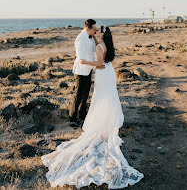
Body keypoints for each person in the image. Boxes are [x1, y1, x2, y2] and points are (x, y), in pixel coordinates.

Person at [41, 25, 144, 189]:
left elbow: (98, 64)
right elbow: (104, 61)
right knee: (108, 97)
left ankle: (102, 124)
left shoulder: (98, 46)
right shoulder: (106, 44)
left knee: (100, 98)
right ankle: (109, 122)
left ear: (102, 34)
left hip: (102, 74)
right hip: (109, 73)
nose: (96, 31)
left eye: (98, 30)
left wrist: (83, 61)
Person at [69, 19, 104, 128]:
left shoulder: (91, 36)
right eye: (94, 29)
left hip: (89, 70)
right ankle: (72, 118)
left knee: (85, 95)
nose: (96, 30)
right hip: (81, 71)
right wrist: (97, 64)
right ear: (87, 29)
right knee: (78, 95)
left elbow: (94, 51)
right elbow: (81, 60)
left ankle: (82, 116)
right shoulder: (80, 40)